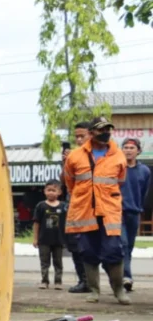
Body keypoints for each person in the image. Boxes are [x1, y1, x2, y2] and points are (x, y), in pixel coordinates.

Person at [63, 117, 129, 305]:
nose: (105, 133)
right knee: (88, 251)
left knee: (114, 250)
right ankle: (94, 291)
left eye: (108, 129)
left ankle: (119, 291)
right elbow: (70, 182)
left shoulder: (118, 156)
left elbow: (120, 181)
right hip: (85, 211)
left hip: (109, 211)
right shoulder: (75, 156)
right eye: (101, 130)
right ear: (91, 133)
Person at [64, 122, 92, 294]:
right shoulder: (74, 156)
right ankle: (84, 280)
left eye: (83, 136)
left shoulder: (98, 155)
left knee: (92, 247)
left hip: (92, 208)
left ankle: (96, 282)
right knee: (75, 246)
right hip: (74, 206)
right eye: (77, 136)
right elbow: (65, 181)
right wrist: (65, 162)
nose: (79, 139)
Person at [121, 138, 151, 290]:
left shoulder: (144, 170)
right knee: (123, 244)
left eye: (132, 147)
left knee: (129, 247)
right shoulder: (118, 168)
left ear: (138, 151)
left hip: (134, 212)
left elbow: (144, 192)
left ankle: (123, 276)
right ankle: (127, 276)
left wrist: (139, 207)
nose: (128, 150)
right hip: (117, 212)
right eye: (125, 147)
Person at [32, 180, 67, 290]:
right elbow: (36, 223)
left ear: (59, 192)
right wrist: (35, 238)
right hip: (44, 240)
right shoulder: (41, 206)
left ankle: (58, 281)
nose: (51, 192)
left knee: (58, 262)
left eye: (54, 190)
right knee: (44, 261)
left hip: (58, 240)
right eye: (49, 190)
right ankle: (44, 281)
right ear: (44, 191)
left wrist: (67, 239)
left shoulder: (63, 207)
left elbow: (67, 223)